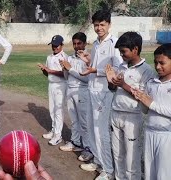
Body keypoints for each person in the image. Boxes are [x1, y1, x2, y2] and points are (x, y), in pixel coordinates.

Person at [78, 10, 123, 179]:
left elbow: (118, 69)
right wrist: (89, 61)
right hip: (92, 89)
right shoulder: (96, 44)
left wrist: (95, 70)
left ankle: (108, 170)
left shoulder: (114, 43)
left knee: (101, 131)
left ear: (109, 24)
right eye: (96, 25)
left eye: (102, 24)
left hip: (105, 92)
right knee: (91, 127)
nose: (99, 28)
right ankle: (97, 161)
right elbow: (94, 67)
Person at [106, 32, 156, 180]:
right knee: (117, 153)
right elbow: (114, 89)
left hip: (133, 116)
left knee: (132, 156)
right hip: (116, 112)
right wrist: (111, 83)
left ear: (135, 49)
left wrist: (123, 84)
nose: (121, 55)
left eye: (124, 51)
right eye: (120, 52)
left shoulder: (146, 71)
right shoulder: (121, 66)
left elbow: (144, 97)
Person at [131, 43, 171, 180]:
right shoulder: (152, 82)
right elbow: (146, 110)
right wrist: (141, 99)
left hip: (166, 135)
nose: (158, 66)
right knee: (149, 173)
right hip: (149, 132)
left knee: (164, 174)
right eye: (155, 62)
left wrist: (151, 103)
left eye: (162, 63)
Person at [59, 32, 92, 160]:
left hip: (82, 92)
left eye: (79, 43)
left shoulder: (88, 58)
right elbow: (67, 77)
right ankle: (75, 142)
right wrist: (65, 69)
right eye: (74, 44)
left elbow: (87, 79)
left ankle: (88, 148)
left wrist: (71, 69)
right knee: (74, 121)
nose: (77, 46)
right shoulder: (70, 57)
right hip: (70, 90)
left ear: (84, 43)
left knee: (84, 122)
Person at [38, 35, 68, 146]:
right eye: (53, 45)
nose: (54, 47)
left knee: (58, 111)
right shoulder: (49, 57)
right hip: (51, 84)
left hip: (61, 86)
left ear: (62, 45)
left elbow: (65, 74)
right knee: (52, 109)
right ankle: (54, 130)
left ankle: (58, 135)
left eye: (57, 45)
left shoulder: (65, 57)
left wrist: (49, 70)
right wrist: (44, 70)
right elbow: (47, 73)